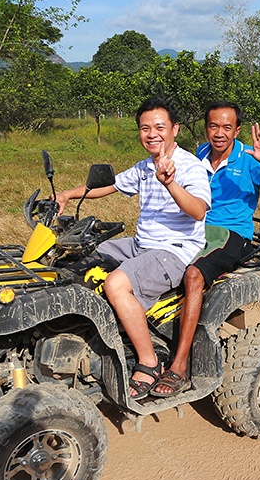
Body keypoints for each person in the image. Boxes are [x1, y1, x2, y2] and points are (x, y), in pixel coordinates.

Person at [54, 97, 211, 400]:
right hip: (141, 245)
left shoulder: (190, 166)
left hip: (175, 251)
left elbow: (198, 211)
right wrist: (67, 194)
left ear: (175, 129)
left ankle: (149, 362)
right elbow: (110, 186)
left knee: (115, 283)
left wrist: (170, 184)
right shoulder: (144, 167)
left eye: (159, 127)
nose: (152, 134)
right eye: (144, 128)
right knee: (79, 257)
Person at [151, 102, 260, 398]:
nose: (219, 133)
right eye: (214, 126)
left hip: (233, 235)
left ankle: (179, 365)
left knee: (193, 275)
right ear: (206, 128)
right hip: (196, 230)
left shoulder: (248, 158)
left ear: (237, 130)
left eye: (227, 127)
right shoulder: (200, 154)